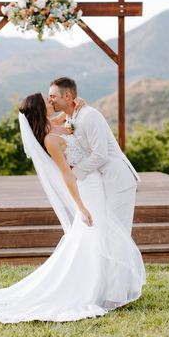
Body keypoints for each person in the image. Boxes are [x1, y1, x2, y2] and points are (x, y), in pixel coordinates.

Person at [0, 93, 146, 323]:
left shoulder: (52, 125)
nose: (51, 102)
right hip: (87, 188)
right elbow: (67, 175)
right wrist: (81, 207)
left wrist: (75, 109)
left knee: (98, 235)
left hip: (96, 181)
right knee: (96, 233)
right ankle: (98, 289)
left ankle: (107, 287)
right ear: (39, 108)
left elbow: (69, 122)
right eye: (47, 100)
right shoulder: (50, 139)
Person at [49, 77, 140, 235]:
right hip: (100, 182)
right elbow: (47, 124)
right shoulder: (70, 117)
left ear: (67, 96)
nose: (51, 101)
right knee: (105, 232)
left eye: (53, 96)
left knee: (118, 233)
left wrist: (73, 174)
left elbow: (100, 155)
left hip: (118, 179)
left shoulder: (89, 115)